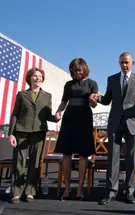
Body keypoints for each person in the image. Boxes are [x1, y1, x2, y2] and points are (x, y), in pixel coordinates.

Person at [90, 52, 135, 205]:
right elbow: (107, 99)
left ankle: (129, 192)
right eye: (121, 62)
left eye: (126, 62)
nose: (124, 65)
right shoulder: (112, 79)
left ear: (132, 63)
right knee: (113, 159)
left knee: (131, 159)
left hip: (132, 122)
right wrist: (98, 98)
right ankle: (111, 192)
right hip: (115, 122)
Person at [8, 67, 58, 204]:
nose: (38, 78)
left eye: (40, 76)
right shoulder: (22, 94)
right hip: (21, 132)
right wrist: (11, 134)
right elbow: (15, 114)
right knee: (19, 162)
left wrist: (56, 118)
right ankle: (16, 193)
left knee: (35, 162)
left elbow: (47, 115)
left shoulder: (47, 96)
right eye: (35, 76)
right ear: (29, 78)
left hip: (39, 132)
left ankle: (29, 192)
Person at [54, 58, 98, 200]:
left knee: (83, 155)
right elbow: (64, 101)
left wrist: (93, 100)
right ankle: (67, 188)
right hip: (69, 118)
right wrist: (59, 111)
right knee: (66, 154)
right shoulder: (68, 84)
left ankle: (79, 189)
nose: (77, 72)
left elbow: (94, 105)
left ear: (84, 69)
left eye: (79, 70)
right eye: (74, 70)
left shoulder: (92, 83)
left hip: (84, 118)